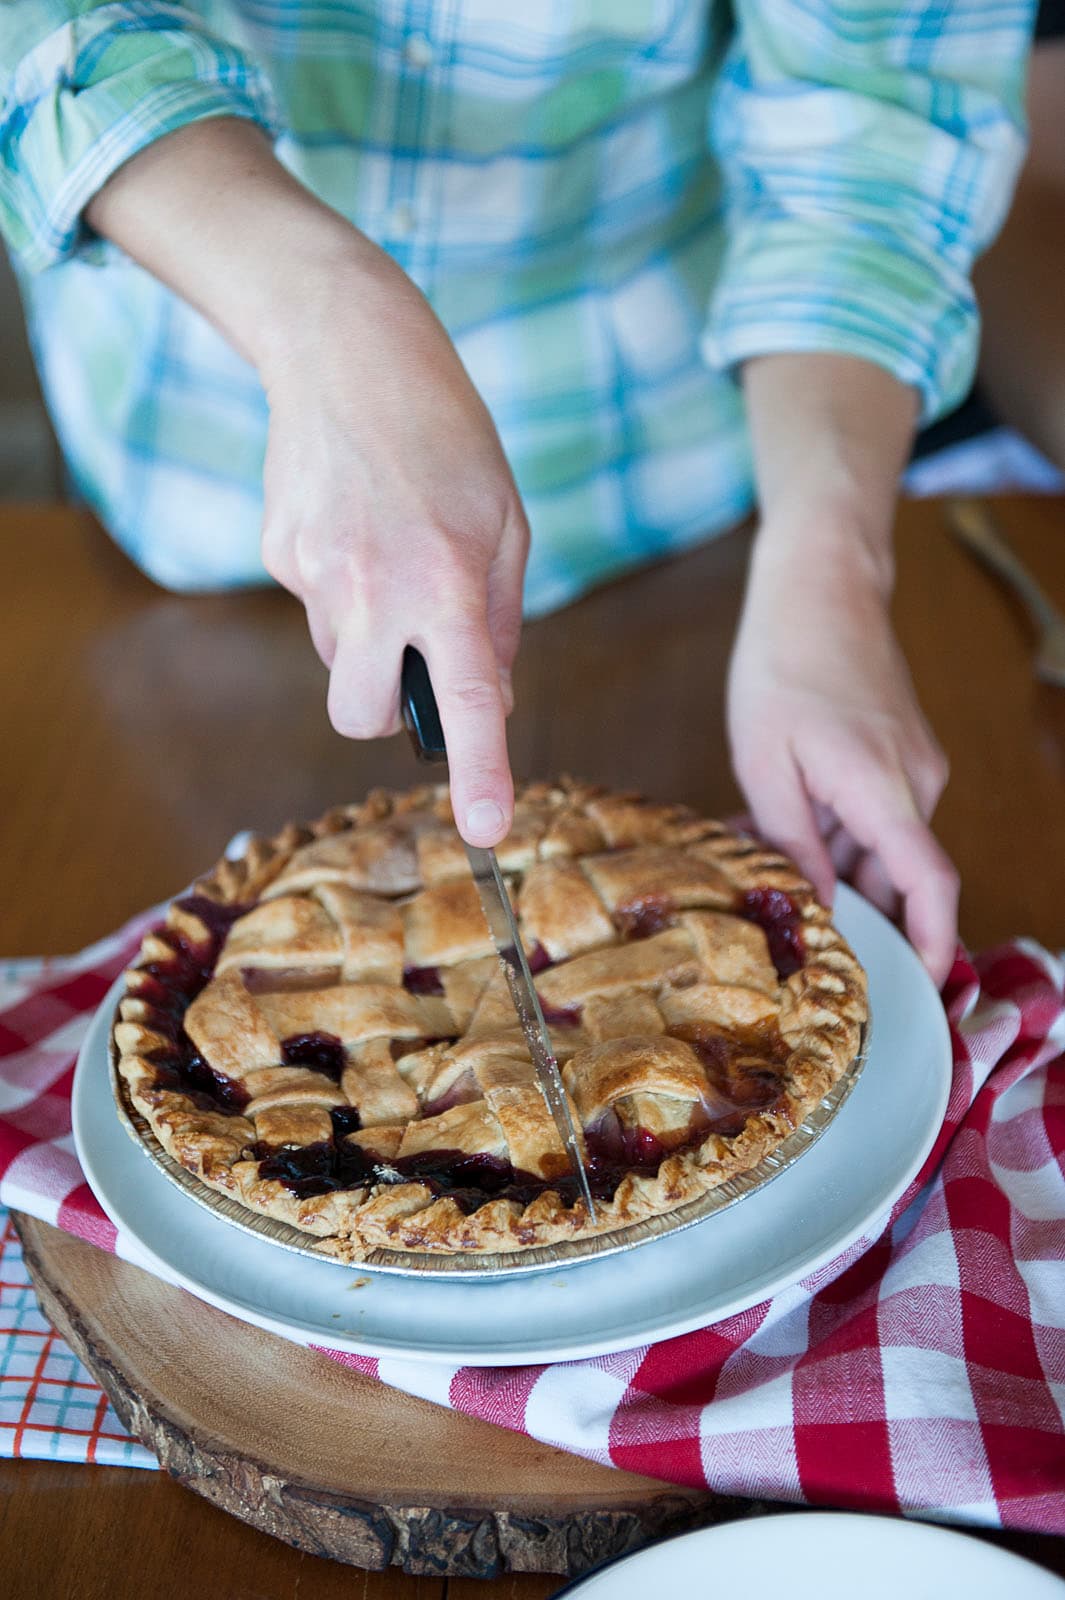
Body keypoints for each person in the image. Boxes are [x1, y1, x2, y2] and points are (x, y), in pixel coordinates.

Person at [1, 2, 1035, 987]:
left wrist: (830, 562)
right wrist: (322, 312)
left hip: (681, 503)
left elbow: (873, 133)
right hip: (188, 457)